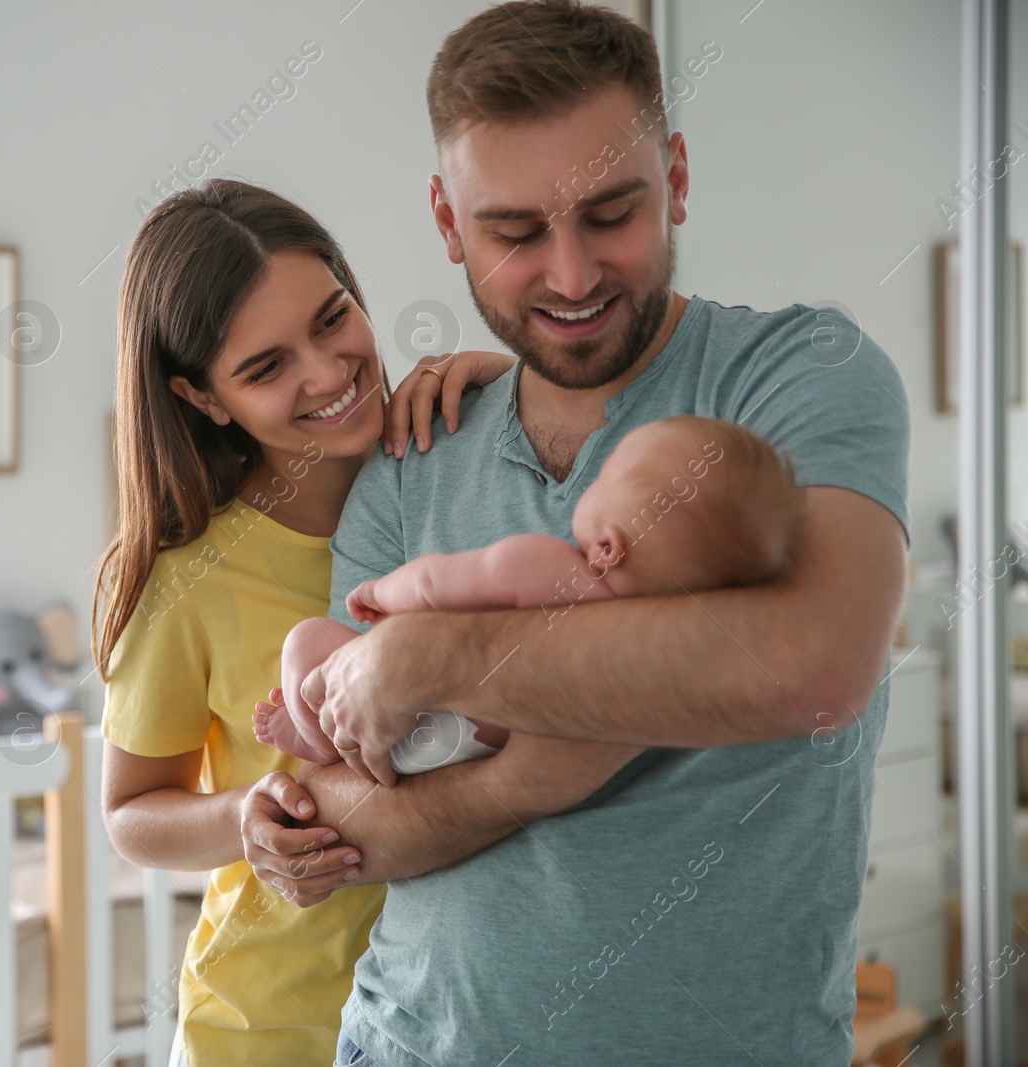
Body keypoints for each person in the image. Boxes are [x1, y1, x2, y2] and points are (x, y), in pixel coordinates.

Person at [242, 4, 909, 1065]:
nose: (569, 275)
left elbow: (814, 662)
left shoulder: (798, 375)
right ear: (447, 222)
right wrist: (539, 769)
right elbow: (342, 817)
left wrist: (426, 658)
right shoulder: (412, 452)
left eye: (611, 213)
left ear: (677, 177)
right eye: (512, 232)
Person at [94, 179, 605, 1066]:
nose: (328, 374)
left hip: (450, 1016)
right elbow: (132, 812)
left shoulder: (451, 459)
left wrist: (509, 386)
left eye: (333, 319)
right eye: (265, 367)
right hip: (265, 1031)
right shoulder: (188, 581)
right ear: (204, 398)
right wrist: (243, 818)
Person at [255, 416, 806, 774]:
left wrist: (380, 592)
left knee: (309, 642)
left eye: (607, 479)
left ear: (609, 547)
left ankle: (316, 741)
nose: (591, 482)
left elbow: (435, 579)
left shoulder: (546, 564)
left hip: (426, 713)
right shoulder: (643, 634)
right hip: (477, 747)